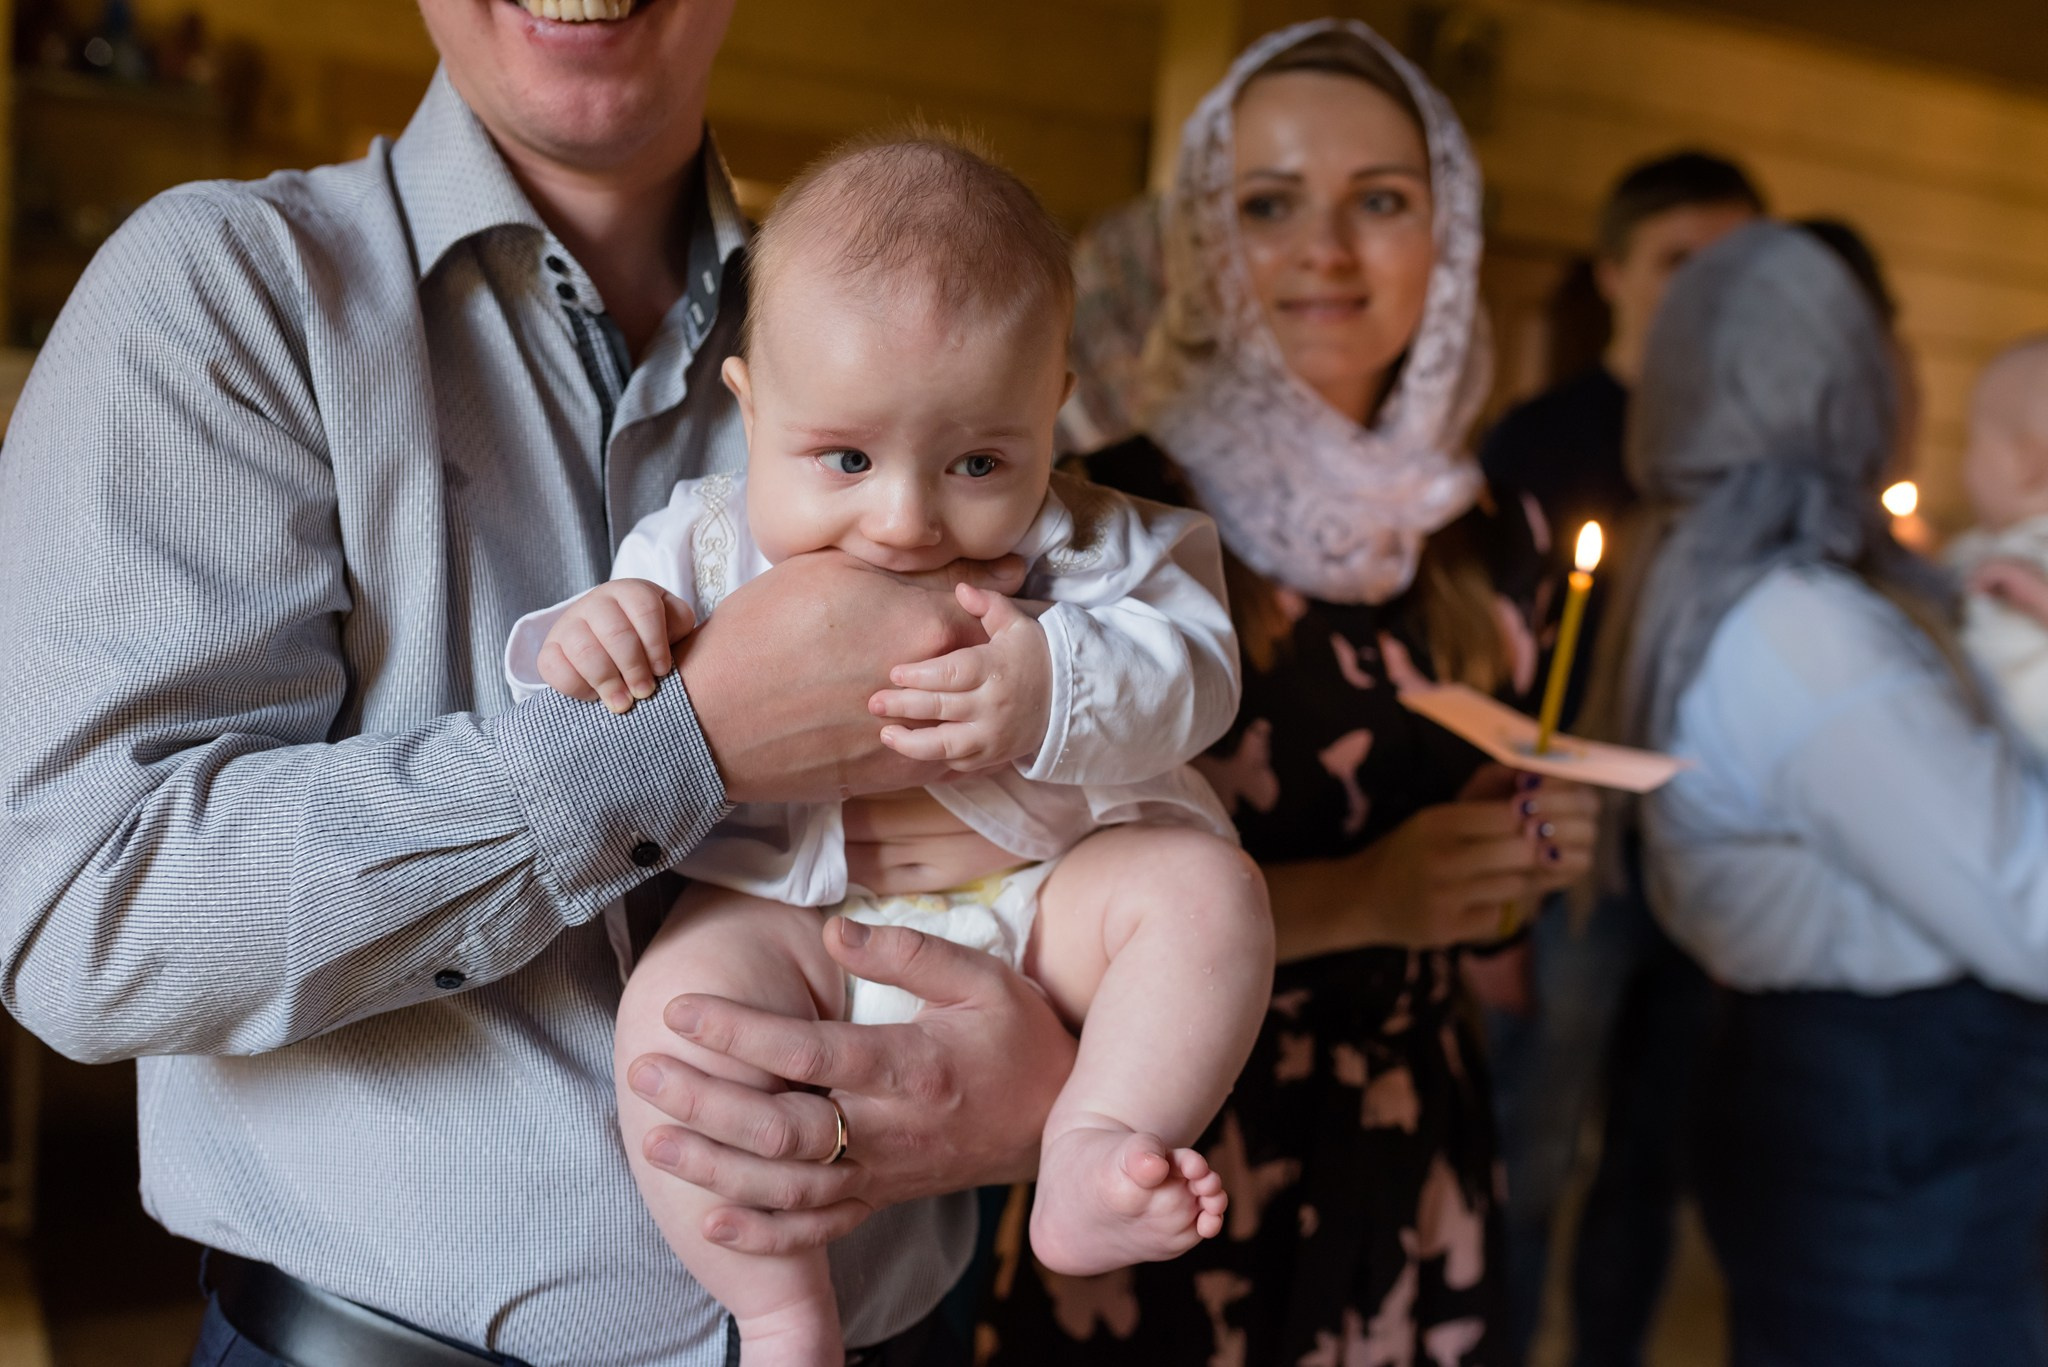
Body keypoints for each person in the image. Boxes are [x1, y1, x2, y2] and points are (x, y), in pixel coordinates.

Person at [0, 4, 1094, 1364]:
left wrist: (1059, 1071)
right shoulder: (228, 292)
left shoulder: (926, 310)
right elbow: (89, 913)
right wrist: (682, 741)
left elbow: (1109, 801)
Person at [509, 133, 1271, 1366]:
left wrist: (1052, 683)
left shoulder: (1098, 546)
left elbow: (1200, 676)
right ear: (750, 405)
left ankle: (1091, 1141)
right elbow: (571, 695)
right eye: (848, 459)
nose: (906, 517)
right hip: (797, 921)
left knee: (1207, 896)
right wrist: (597, 629)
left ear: (1051, 405)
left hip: (1048, 907)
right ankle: (778, 1311)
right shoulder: (700, 545)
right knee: (675, 1017)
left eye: (978, 461)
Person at [979, 21, 1597, 1365]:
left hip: (1412, 1131)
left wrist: (1528, 844)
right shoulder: (1108, 513)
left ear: (1448, 236)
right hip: (1170, 1144)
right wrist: (1366, 895)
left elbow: (1488, 898)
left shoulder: (1498, 537)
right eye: (1269, 204)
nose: (1326, 248)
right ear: (1206, 239)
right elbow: (1006, 887)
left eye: (1379, 200)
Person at [1596, 221, 2048, 1366]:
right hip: (1890, 1109)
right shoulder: (1801, 629)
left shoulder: (1709, 574)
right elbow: (2028, 900)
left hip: (1840, 1086)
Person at [1475, 149, 1763, 1366]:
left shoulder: (1756, 454)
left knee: (1653, 1159)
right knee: (1527, 1153)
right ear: (1612, 273)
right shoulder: (1539, 442)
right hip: (1566, 855)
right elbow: (1487, 669)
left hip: (1706, 848)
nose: (1706, 290)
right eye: (1676, 261)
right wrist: (1495, 911)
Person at [1948, 337, 2048, 753]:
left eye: (1973, 441)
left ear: (2026, 463)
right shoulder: (1984, 547)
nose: (1966, 462)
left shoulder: (2028, 553)